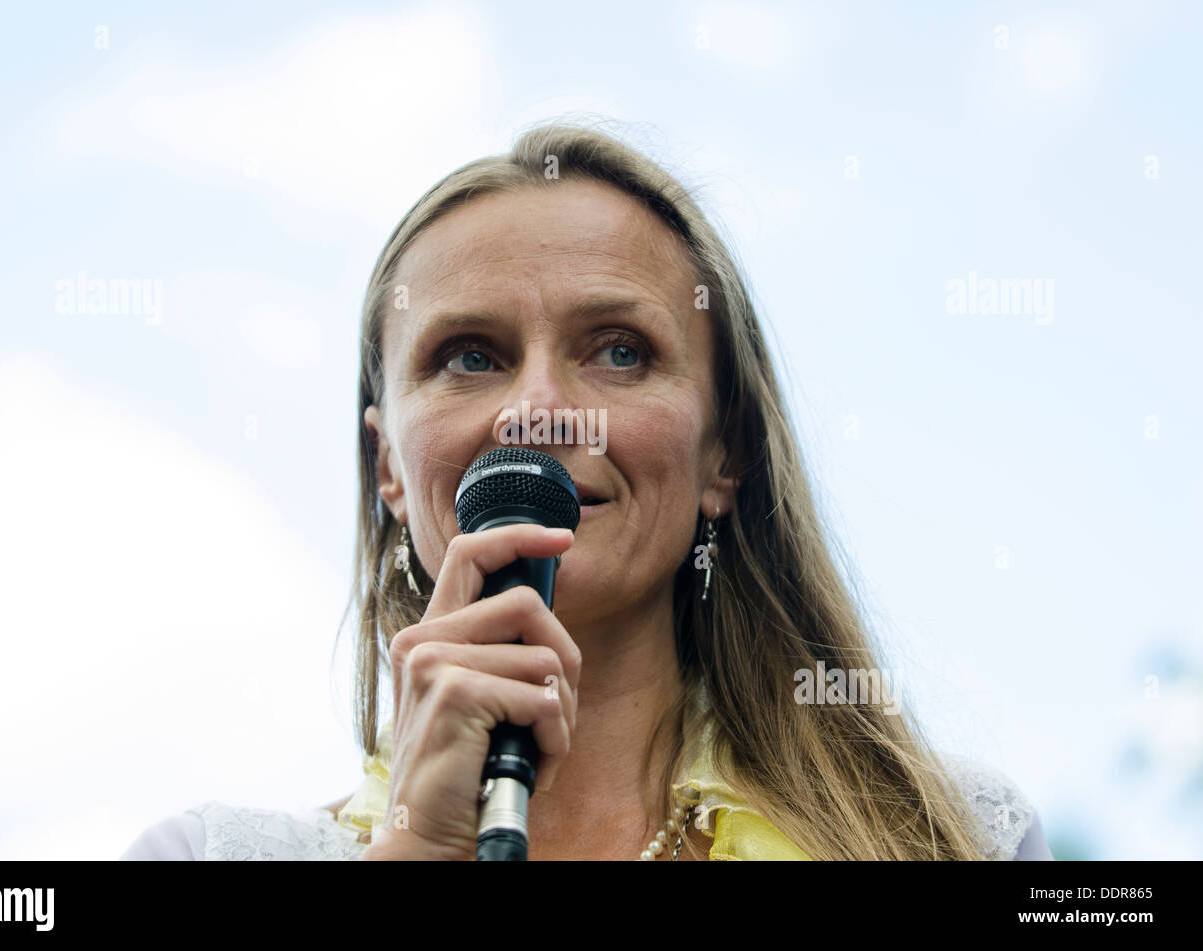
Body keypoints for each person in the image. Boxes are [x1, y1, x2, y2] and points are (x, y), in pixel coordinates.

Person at [121, 120, 1053, 861]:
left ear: (723, 452)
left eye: (619, 350)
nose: (539, 411)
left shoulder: (950, 837)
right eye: (470, 356)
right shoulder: (197, 855)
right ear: (389, 471)